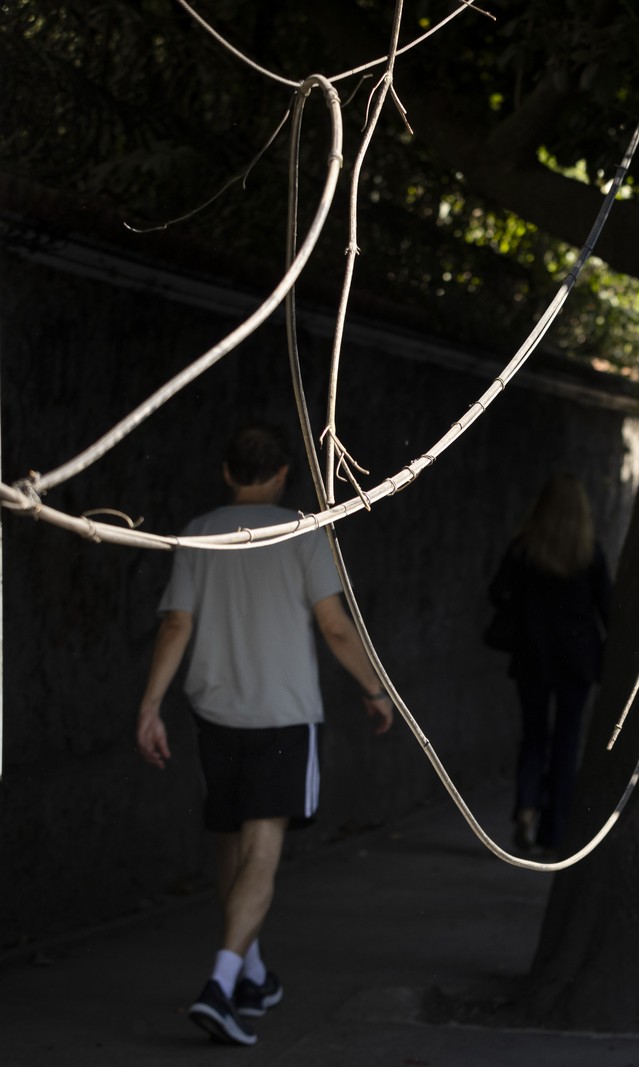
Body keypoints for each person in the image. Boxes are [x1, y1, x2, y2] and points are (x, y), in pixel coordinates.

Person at [135, 422, 393, 1047]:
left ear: (226, 472)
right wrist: (375, 688)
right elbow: (334, 628)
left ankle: (251, 975)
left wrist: (148, 707)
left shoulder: (196, 533)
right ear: (282, 475)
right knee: (262, 850)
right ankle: (221, 986)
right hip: (282, 716)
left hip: (214, 713)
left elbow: (175, 625)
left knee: (230, 843)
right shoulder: (304, 531)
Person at [488, 474, 611, 856]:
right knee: (567, 741)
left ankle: (526, 805)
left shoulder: (524, 550)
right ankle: (555, 833)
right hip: (577, 659)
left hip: (532, 655)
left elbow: (497, 593)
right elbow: (608, 608)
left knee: (534, 735)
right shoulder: (589, 552)